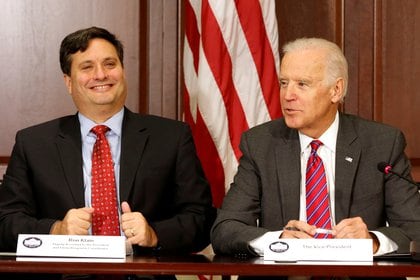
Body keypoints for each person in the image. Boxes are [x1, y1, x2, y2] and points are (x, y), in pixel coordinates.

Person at [0, 26, 214, 278]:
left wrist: (154, 233)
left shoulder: (171, 137)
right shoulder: (34, 143)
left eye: (110, 64)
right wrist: (57, 230)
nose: (101, 75)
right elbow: (5, 223)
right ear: (68, 82)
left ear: (123, 71)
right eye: (87, 67)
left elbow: (201, 218)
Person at [211, 37, 420, 260]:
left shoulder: (382, 144)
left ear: (336, 90)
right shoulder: (261, 143)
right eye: (284, 83)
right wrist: (278, 239)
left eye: (302, 84)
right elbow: (225, 229)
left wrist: (373, 241)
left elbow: (415, 229)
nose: (288, 95)